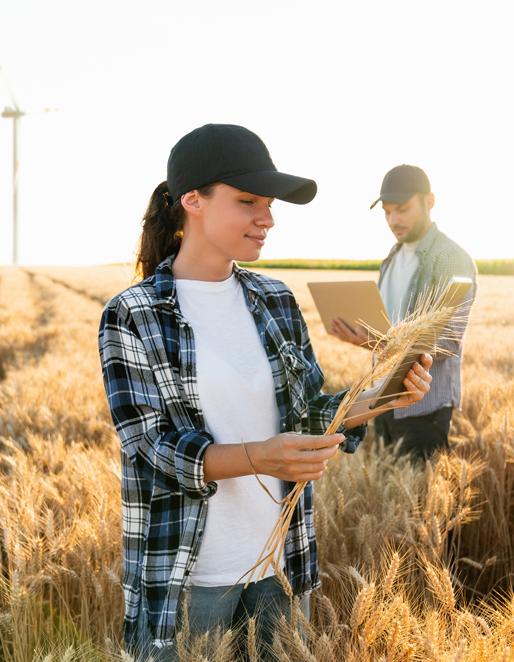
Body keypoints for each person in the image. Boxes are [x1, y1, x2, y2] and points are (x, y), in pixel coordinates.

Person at [98, 126, 433, 660]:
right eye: (248, 201)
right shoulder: (132, 314)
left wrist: (383, 396)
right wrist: (261, 457)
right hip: (190, 576)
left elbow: (311, 411)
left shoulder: (274, 299)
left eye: (271, 204)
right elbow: (151, 447)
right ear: (193, 201)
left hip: (281, 564)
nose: (268, 218)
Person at [331, 164, 476, 462]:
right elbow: (385, 327)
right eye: (386, 212)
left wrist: (373, 342)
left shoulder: (451, 260)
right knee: (391, 502)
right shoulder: (392, 257)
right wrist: (362, 334)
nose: (393, 220)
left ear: (429, 202)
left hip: (423, 407)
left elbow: (445, 342)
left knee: (423, 504)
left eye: (402, 209)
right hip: (381, 400)